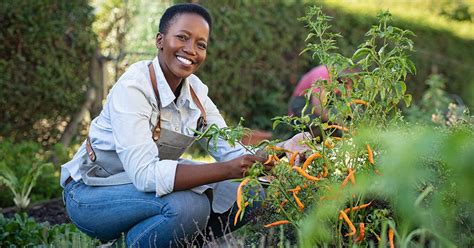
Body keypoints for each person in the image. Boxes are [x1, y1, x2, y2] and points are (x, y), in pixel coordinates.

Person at [61, 3, 301, 247]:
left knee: (251, 193)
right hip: (91, 193)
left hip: (138, 190)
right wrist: (228, 169)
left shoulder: (196, 93)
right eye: (182, 37)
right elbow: (145, 175)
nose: (191, 50)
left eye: (201, 44)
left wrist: (282, 150)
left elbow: (233, 152)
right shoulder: (134, 88)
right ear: (160, 40)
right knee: (189, 206)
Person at [288, 65, 353, 138]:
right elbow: (318, 107)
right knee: (322, 125)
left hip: (318, 103)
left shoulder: (339, 79)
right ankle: (302, 141)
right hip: (302, 103)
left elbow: (348, 99)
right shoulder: (323, 75)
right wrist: (338, 121)